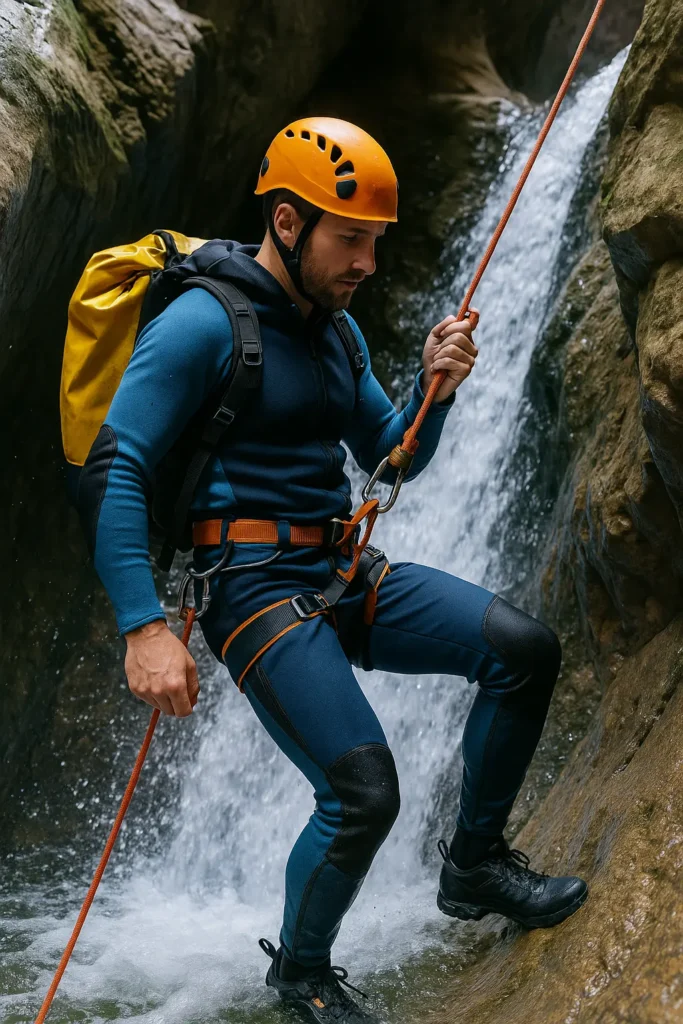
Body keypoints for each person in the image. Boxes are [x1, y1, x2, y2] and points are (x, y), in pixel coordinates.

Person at [78, 116, 588, 1023]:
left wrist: (435, 388)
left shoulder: (336, 333)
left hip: (341, 565)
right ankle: (301, 976)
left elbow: (391, 459)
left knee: (523, 648)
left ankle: (471, 868)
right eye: (351, 239)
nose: (367, 263)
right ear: (286, 222)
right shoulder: (202, 322)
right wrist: (144, 626)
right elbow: (118, 468)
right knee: (362, 789)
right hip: (249, 588)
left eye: (377, 243)